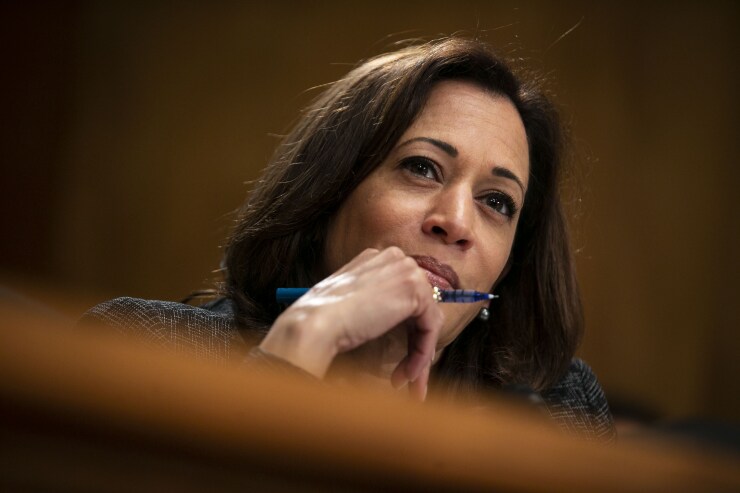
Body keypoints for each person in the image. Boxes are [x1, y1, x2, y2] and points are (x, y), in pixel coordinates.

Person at [82, 37, 615, 441]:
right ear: (329, 191)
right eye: (422, 168)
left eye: (496, 202)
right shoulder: (145, 348)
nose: (455, 222)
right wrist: (297, 349)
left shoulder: (561, 406)